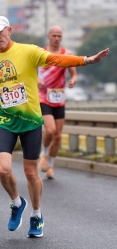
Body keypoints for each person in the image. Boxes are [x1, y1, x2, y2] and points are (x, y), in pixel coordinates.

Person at [0, 16, 109, 238]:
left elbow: (57, 59)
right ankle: (17, 203)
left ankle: (36, 215)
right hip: (6, 122)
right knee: (2, 169)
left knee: (30, 172)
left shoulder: (28, 51)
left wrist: (87, 60)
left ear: (9, 30)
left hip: (31, 122)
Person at [38, 26, 78, 179]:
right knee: (50, 130)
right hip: (44, 97)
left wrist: (73, 81)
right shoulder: (41, 54)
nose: (56, 38)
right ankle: (45, 154)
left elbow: (74, 74)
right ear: (48, 36)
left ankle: (50, 166)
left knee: (58, 136)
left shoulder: (67, 55)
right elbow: (28, 71)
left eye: (59, 36)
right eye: (54, 35)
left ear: (62, 37)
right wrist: (37, 79)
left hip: (59, 99)